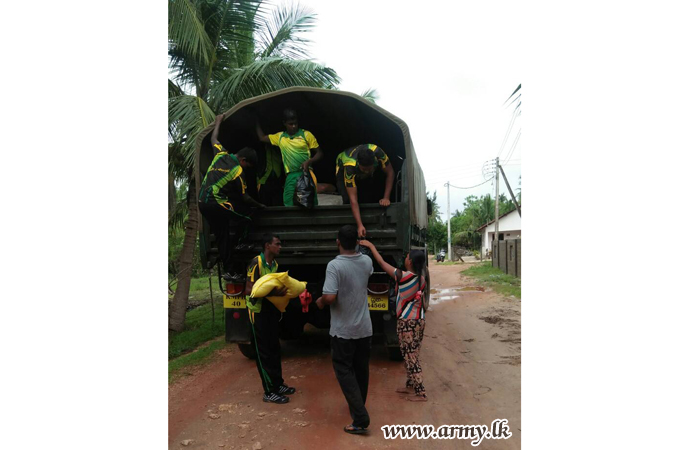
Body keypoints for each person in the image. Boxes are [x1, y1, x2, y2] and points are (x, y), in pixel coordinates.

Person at [316, 225, 374, 434]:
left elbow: (330, 296)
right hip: (364, 328)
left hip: (344, 330)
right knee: (361, 370)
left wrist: (321, 302)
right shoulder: (367, 261)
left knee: (343, 369)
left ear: (337, 242)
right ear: (357, 242)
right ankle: (358, 406)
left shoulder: (334, 266)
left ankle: (360, 418)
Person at [358, 239, 428, 402]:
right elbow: (423, 303)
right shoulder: (421, 280)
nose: (405, 258)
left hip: (406, 322)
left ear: (409, 261)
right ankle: (410, 385)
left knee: (410, 356)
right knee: (411, 353)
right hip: (419, 321)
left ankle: (421, 392)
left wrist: (371, 246)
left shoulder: (402, 276)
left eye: (407, 256)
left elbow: (382, 263)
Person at [199, 114, 266, 279]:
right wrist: (260, 205)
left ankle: (229, 271)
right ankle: (241, 243)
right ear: (243, 160)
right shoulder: (237, 171)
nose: (248, 168)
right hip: (217, 203)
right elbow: (245, 198)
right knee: (248, 215)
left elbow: (213, 138)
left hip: (202, 204)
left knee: (222, 237)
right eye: (249, 165)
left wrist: (218, 122)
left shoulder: (221, 154)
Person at [244, 233, 295, 404]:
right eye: (277, 244)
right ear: (267, 246)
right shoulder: (256, 263)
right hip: (256, 311)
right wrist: (274, 292)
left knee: (274, 348)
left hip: (269, 310)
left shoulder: (274, 264)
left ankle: (278, 384)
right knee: (263, 352)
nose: (280, 247)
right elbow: (249, 289)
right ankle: (269, 391)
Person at [256, 108, 324, 207]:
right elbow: (262, 138)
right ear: (284, 123)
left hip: (307, 173)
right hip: (291, 175)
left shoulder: (306, 135)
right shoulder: (280, 137)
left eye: (295, 123)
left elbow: (320, 153)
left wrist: (309, 161)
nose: (293, 126)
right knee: (288, 200)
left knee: (310, 200)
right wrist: (256, 122)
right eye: (290, 124)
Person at [335, 144, 395, 237]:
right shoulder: (349, 166)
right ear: (359, 163)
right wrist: (360, 225)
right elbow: (353, 200)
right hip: (342, 165)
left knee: (374, 183)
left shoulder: (378, 153)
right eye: (364, 169)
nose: (366, 171)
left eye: (369, 169)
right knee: (347, 199)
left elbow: (390, 173)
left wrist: (386, 197)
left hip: (369, 166)